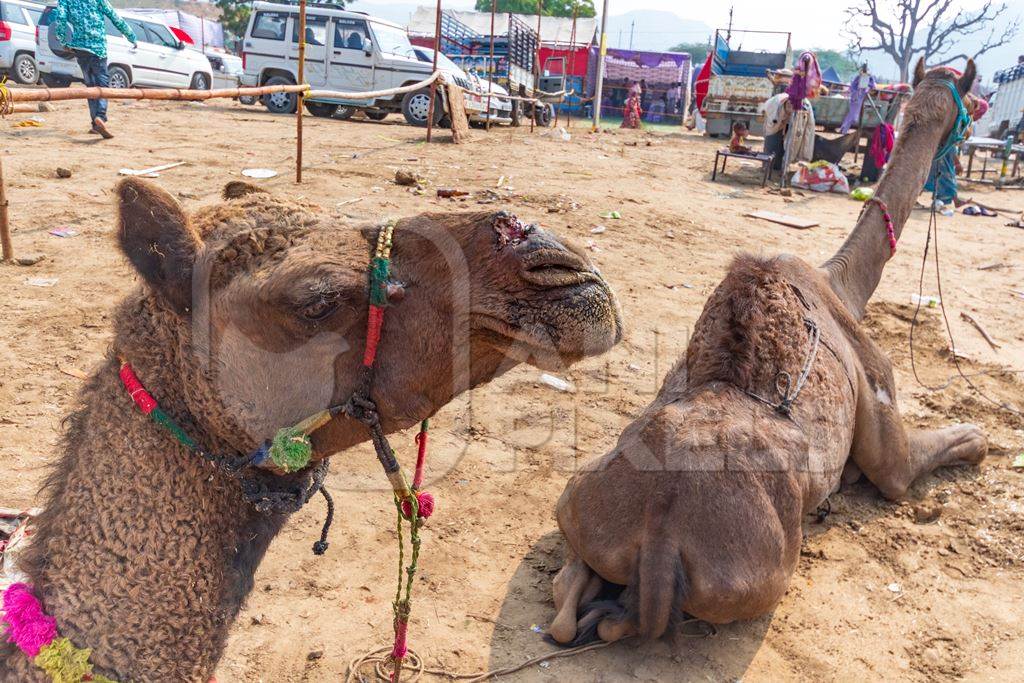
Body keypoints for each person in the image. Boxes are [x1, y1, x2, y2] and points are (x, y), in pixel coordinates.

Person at [52, 0, 137, 139]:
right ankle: (101, 117)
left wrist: (63, 41)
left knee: (90, 86)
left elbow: (60, 18)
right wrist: (131, 36)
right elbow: (114, 17)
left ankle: (95, 124)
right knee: (103, 86)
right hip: (98, 50)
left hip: (80, 49)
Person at [840, 63, 875, 133]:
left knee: (854, 115)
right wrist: (855, 92)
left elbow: (873, 86)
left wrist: (867, 88)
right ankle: (844, 128)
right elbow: (852, 86)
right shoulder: (858, 77)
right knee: (853, 114)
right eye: (863, 69)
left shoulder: (870, 77)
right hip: (855, 96)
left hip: (862, 96)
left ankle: (844, 127)